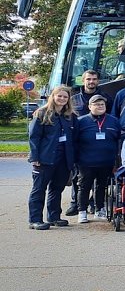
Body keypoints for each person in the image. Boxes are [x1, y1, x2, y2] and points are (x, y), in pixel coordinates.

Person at [27, 85, 77, 230]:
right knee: (39, 189)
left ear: (68, 100)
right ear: (53, 97)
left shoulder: (70, 116)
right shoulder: (41, 113)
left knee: (57, 188)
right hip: (44, 158)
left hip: (64, 159)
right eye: (59, 96)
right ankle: (35, 219)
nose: (62, 99)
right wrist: (35, 157)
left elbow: (74, 138)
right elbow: (34, 137)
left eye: (65, 97)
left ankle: (54, 216)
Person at [66, 69, 112, 217]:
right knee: (78, 177)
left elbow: (111, 116)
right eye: (88, 79)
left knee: (99, 179)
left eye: (94, 79)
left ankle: (93, 204)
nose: (91, 82)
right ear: (83, 80)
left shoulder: (105, 97)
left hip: (99, 143)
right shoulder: (74, 98)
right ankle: (76, 203)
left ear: (98, 81)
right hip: (79, 142)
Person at [74, 94, 120, 223]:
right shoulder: (81, 121)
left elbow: (118, 141)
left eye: (102, 104)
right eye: (96, 104)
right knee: (84, 187)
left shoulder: (113, 121)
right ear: (89, 106)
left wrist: (117, 160)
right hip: (86, 162)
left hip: (106, 161)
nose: (100, 106)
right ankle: (82, 211)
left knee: (101, 187)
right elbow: (74, 141)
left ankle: (99, 209)